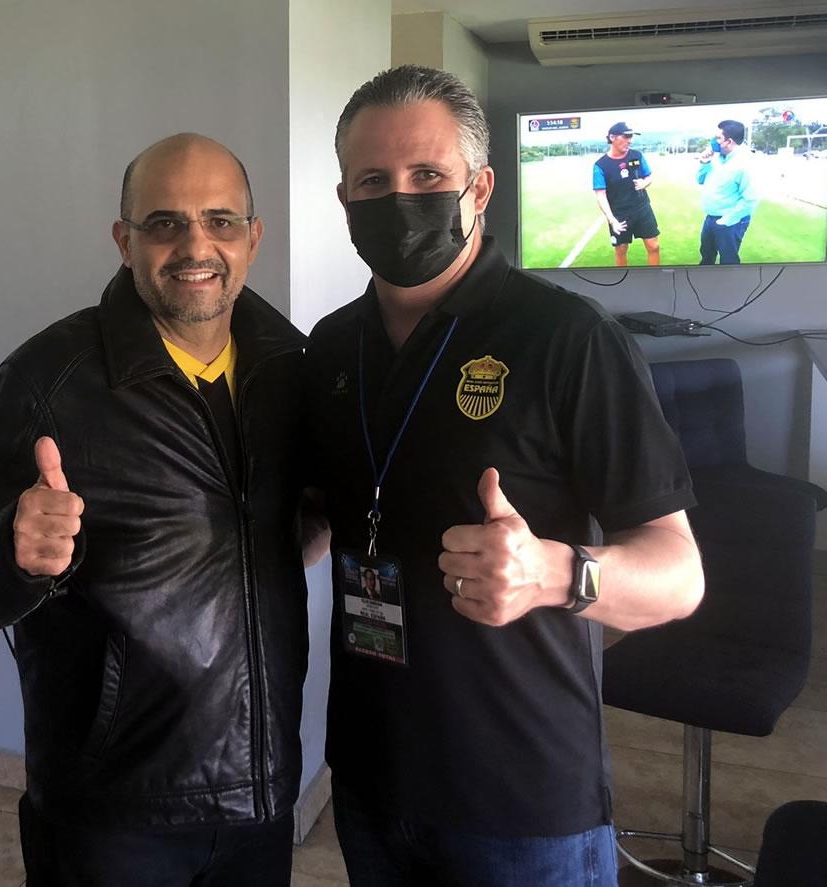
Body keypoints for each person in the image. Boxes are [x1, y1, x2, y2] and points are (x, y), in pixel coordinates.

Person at [305, 65, 705, 886]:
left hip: (521, 801)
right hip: (372, 778)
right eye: (372, 181)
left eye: (428, 177)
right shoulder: (330, 347)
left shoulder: (568, 339)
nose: (399, 198)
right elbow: (318, 520)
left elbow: (680, 576)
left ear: (479, 188)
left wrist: (557, 571)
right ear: (343, 200)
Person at [0, 133, 316, 887]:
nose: (195, 245)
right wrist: (10, 548)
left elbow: (291, 521)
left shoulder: (290, 368)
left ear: (254, 239)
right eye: (164, 223)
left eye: (221, 221)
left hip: (262, 794)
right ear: (123, 240)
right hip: (114, 816)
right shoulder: (50, 380)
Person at [593, 122, 661, 266]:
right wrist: (612, 220)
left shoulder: (637, 155)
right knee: (621, 250)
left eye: (631, 137)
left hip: (642, 208)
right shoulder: (601, 166)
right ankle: (623, 282)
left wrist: (645, 183)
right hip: (619, 214)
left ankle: (655, 279)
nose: (630, 140)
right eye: (626, 136)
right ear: (612, 137)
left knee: (654, 246)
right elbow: (600, 195)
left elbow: (649, 176)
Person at [696, 119, 761, 265]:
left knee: (728, 261)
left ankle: (730, 288)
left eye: (718, 138)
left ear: (729, 142)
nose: (713, 141)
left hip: (732, 221)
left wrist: (725, 221)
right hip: (710, 218)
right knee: (706, 257)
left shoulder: (745, 164)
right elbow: (700, 180)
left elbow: (751, 200)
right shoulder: (716, 158)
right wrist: (704, 162)